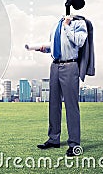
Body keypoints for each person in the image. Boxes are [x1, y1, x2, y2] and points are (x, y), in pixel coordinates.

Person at [36, 15, 87, 156]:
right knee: (53, 104)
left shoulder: (79, 23)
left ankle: (74, 144)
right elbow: (56, 45)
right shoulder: (55, 24)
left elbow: (80, 41)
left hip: (70, 65)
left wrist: (67, 25)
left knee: (71, 106)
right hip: (55, 66)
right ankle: (53, 139)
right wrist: (44, 48)